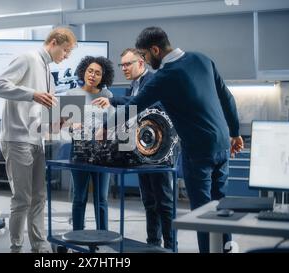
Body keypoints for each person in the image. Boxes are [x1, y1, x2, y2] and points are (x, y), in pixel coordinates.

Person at [96, 27, 243, 253]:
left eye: (144, 55)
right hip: (222, 144)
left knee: (202, 213)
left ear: (155, 50)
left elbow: (133, 108)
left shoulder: (165, 76)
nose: (145, 60)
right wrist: (235, 132)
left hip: (198, 151)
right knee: (220, 208)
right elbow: (227, 97)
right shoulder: (201, 58)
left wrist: (104, 128)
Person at [0, 27, 77, 253]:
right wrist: (33, 94)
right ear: (54, 42)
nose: (66, 56)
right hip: (17, 139)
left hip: (35, 140)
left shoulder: (47, 71)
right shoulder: (28, 58)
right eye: (66, 51)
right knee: (22, 199)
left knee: (39, 197)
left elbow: (40, 114)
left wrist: (59, 124)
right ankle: (16, 248)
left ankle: (39, 247)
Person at [93, 48, 173, 249]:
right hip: (141, 150)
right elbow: (132, 112)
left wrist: (113, 100)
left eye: (128, 64)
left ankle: (170, 246)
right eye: (122, 65)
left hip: (159, 152)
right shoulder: (134, 86)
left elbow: (145, 105)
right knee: (148, 200)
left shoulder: (154, 81)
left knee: (163, 202)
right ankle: (153, 244)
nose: (124, 68)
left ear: (142, 63)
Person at [67, 56, 115, 231]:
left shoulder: (107, 95)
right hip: (79, 151)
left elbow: (112, 124)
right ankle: (77, 237)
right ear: (83, 71)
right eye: (90, 71)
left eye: (98, 73)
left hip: (102, 153)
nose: (93, 75)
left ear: (103, 77)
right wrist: (73, 126)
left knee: (101, 198)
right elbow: (66, 128)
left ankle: (103, 237)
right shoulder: (72, 94)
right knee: (79, 197)